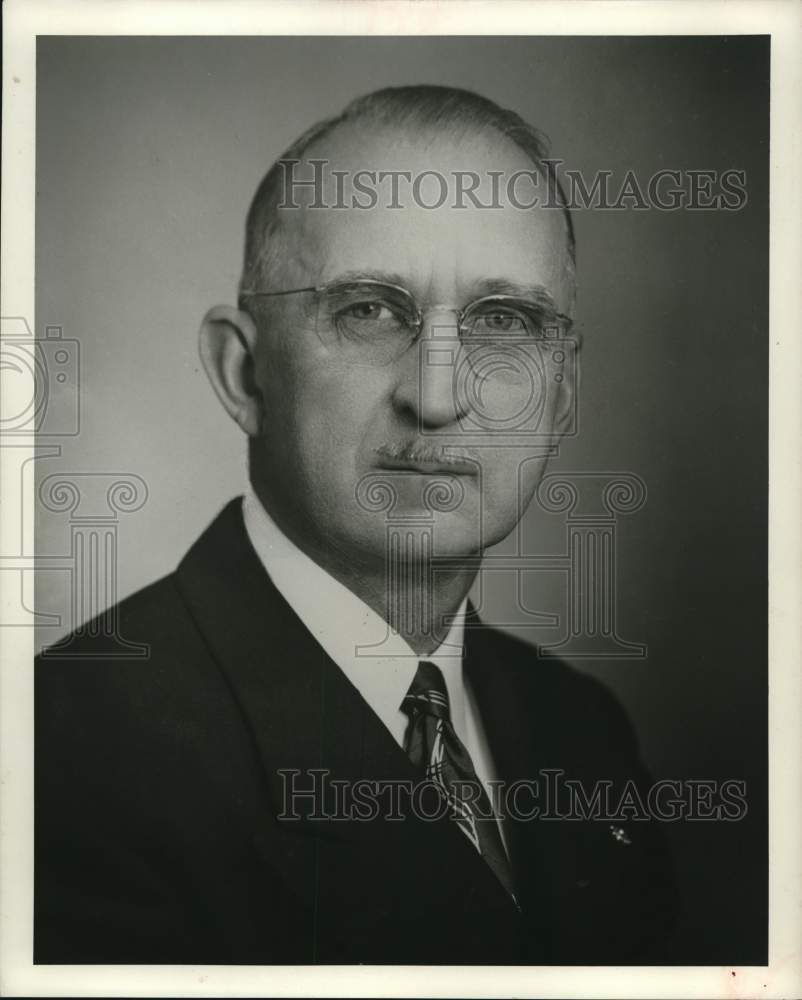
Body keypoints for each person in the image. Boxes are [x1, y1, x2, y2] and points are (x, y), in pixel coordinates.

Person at [35, 85, 679, 964]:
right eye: (369, 311)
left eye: (503, 321)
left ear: (562, 394)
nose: (438, 397)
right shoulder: (68, 755)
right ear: (244, 372)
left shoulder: (584, 734)